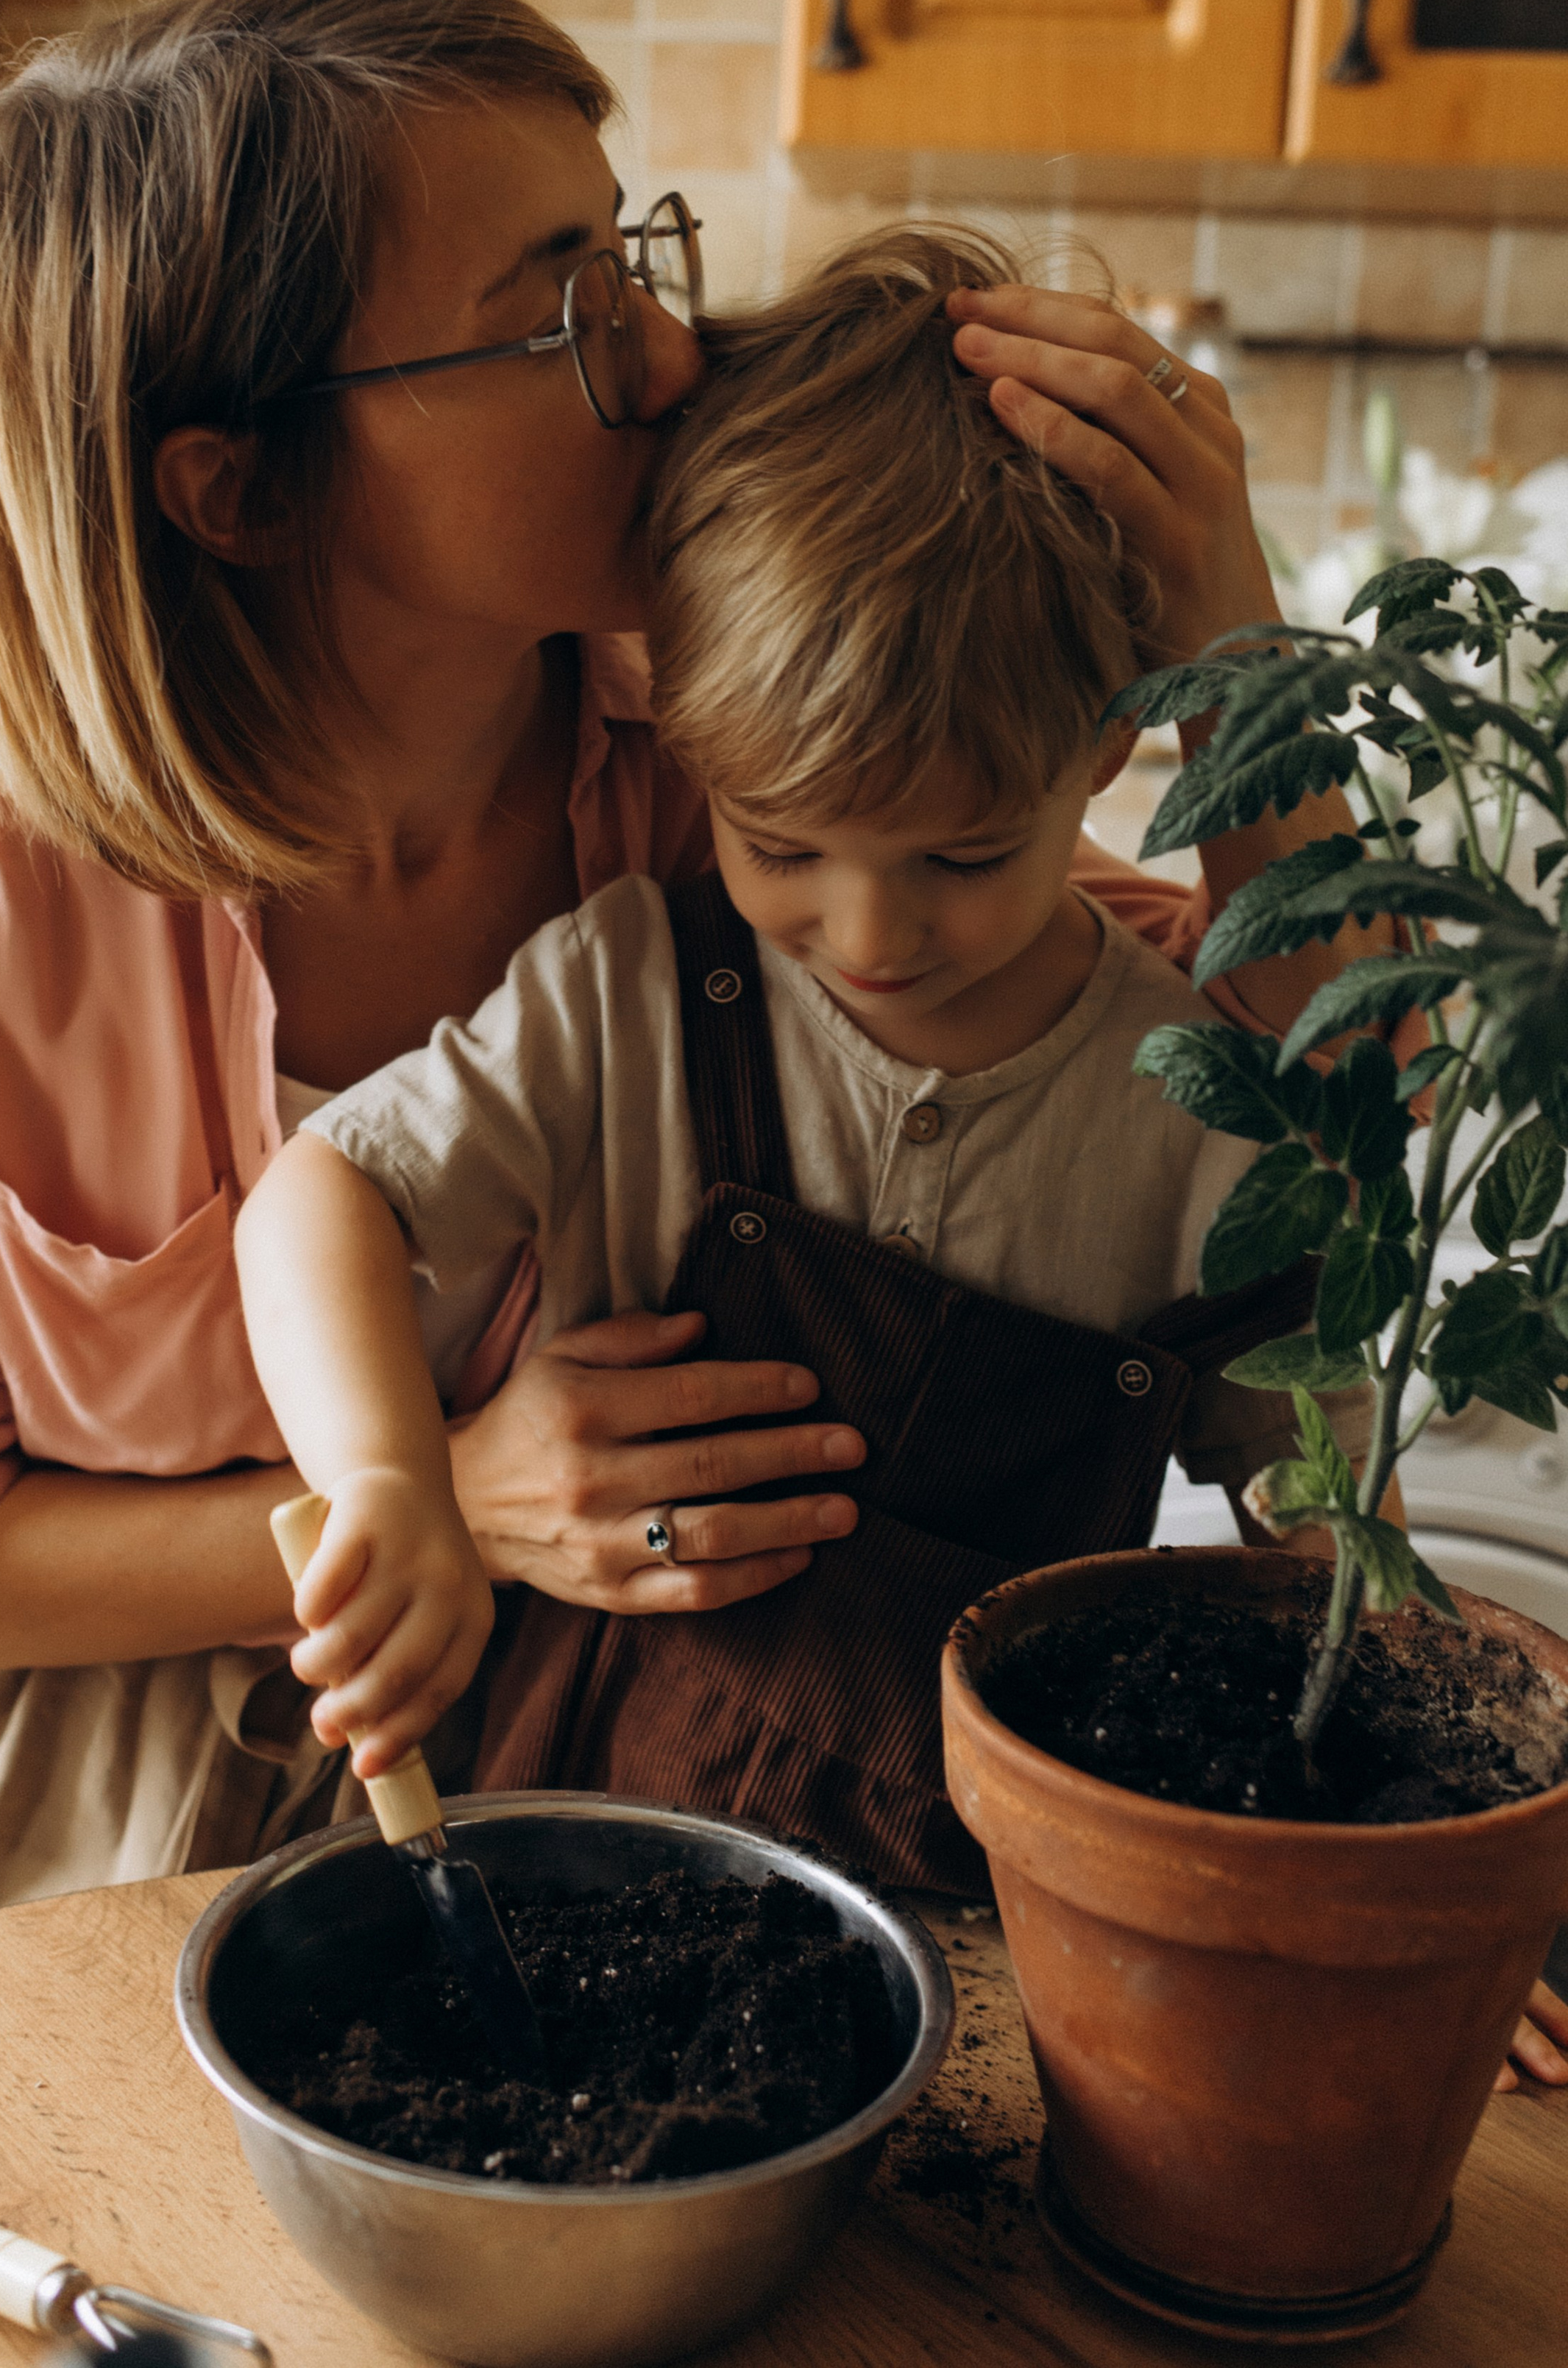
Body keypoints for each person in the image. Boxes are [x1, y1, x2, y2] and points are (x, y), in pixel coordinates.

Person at [0, 0, 1544, 2058]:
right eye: (564, 305)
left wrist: (1238, 658)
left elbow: (1303, 1102)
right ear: (244, 486)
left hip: (561, 1796)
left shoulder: (725, 780)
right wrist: (440, 1497)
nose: (669, 352)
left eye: (631, 253)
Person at [233, 224, 1374, 1884]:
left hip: (1001, 1898)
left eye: (962, 856)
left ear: (1113, 741)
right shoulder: (623, 991)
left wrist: (1390, 1866)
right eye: (779, 845)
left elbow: (1323, 1531)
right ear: (688, 734)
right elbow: (319, 1196)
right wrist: (392, 1479)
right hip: (575, 1837)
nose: (866, 934)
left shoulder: (1200, 1105)